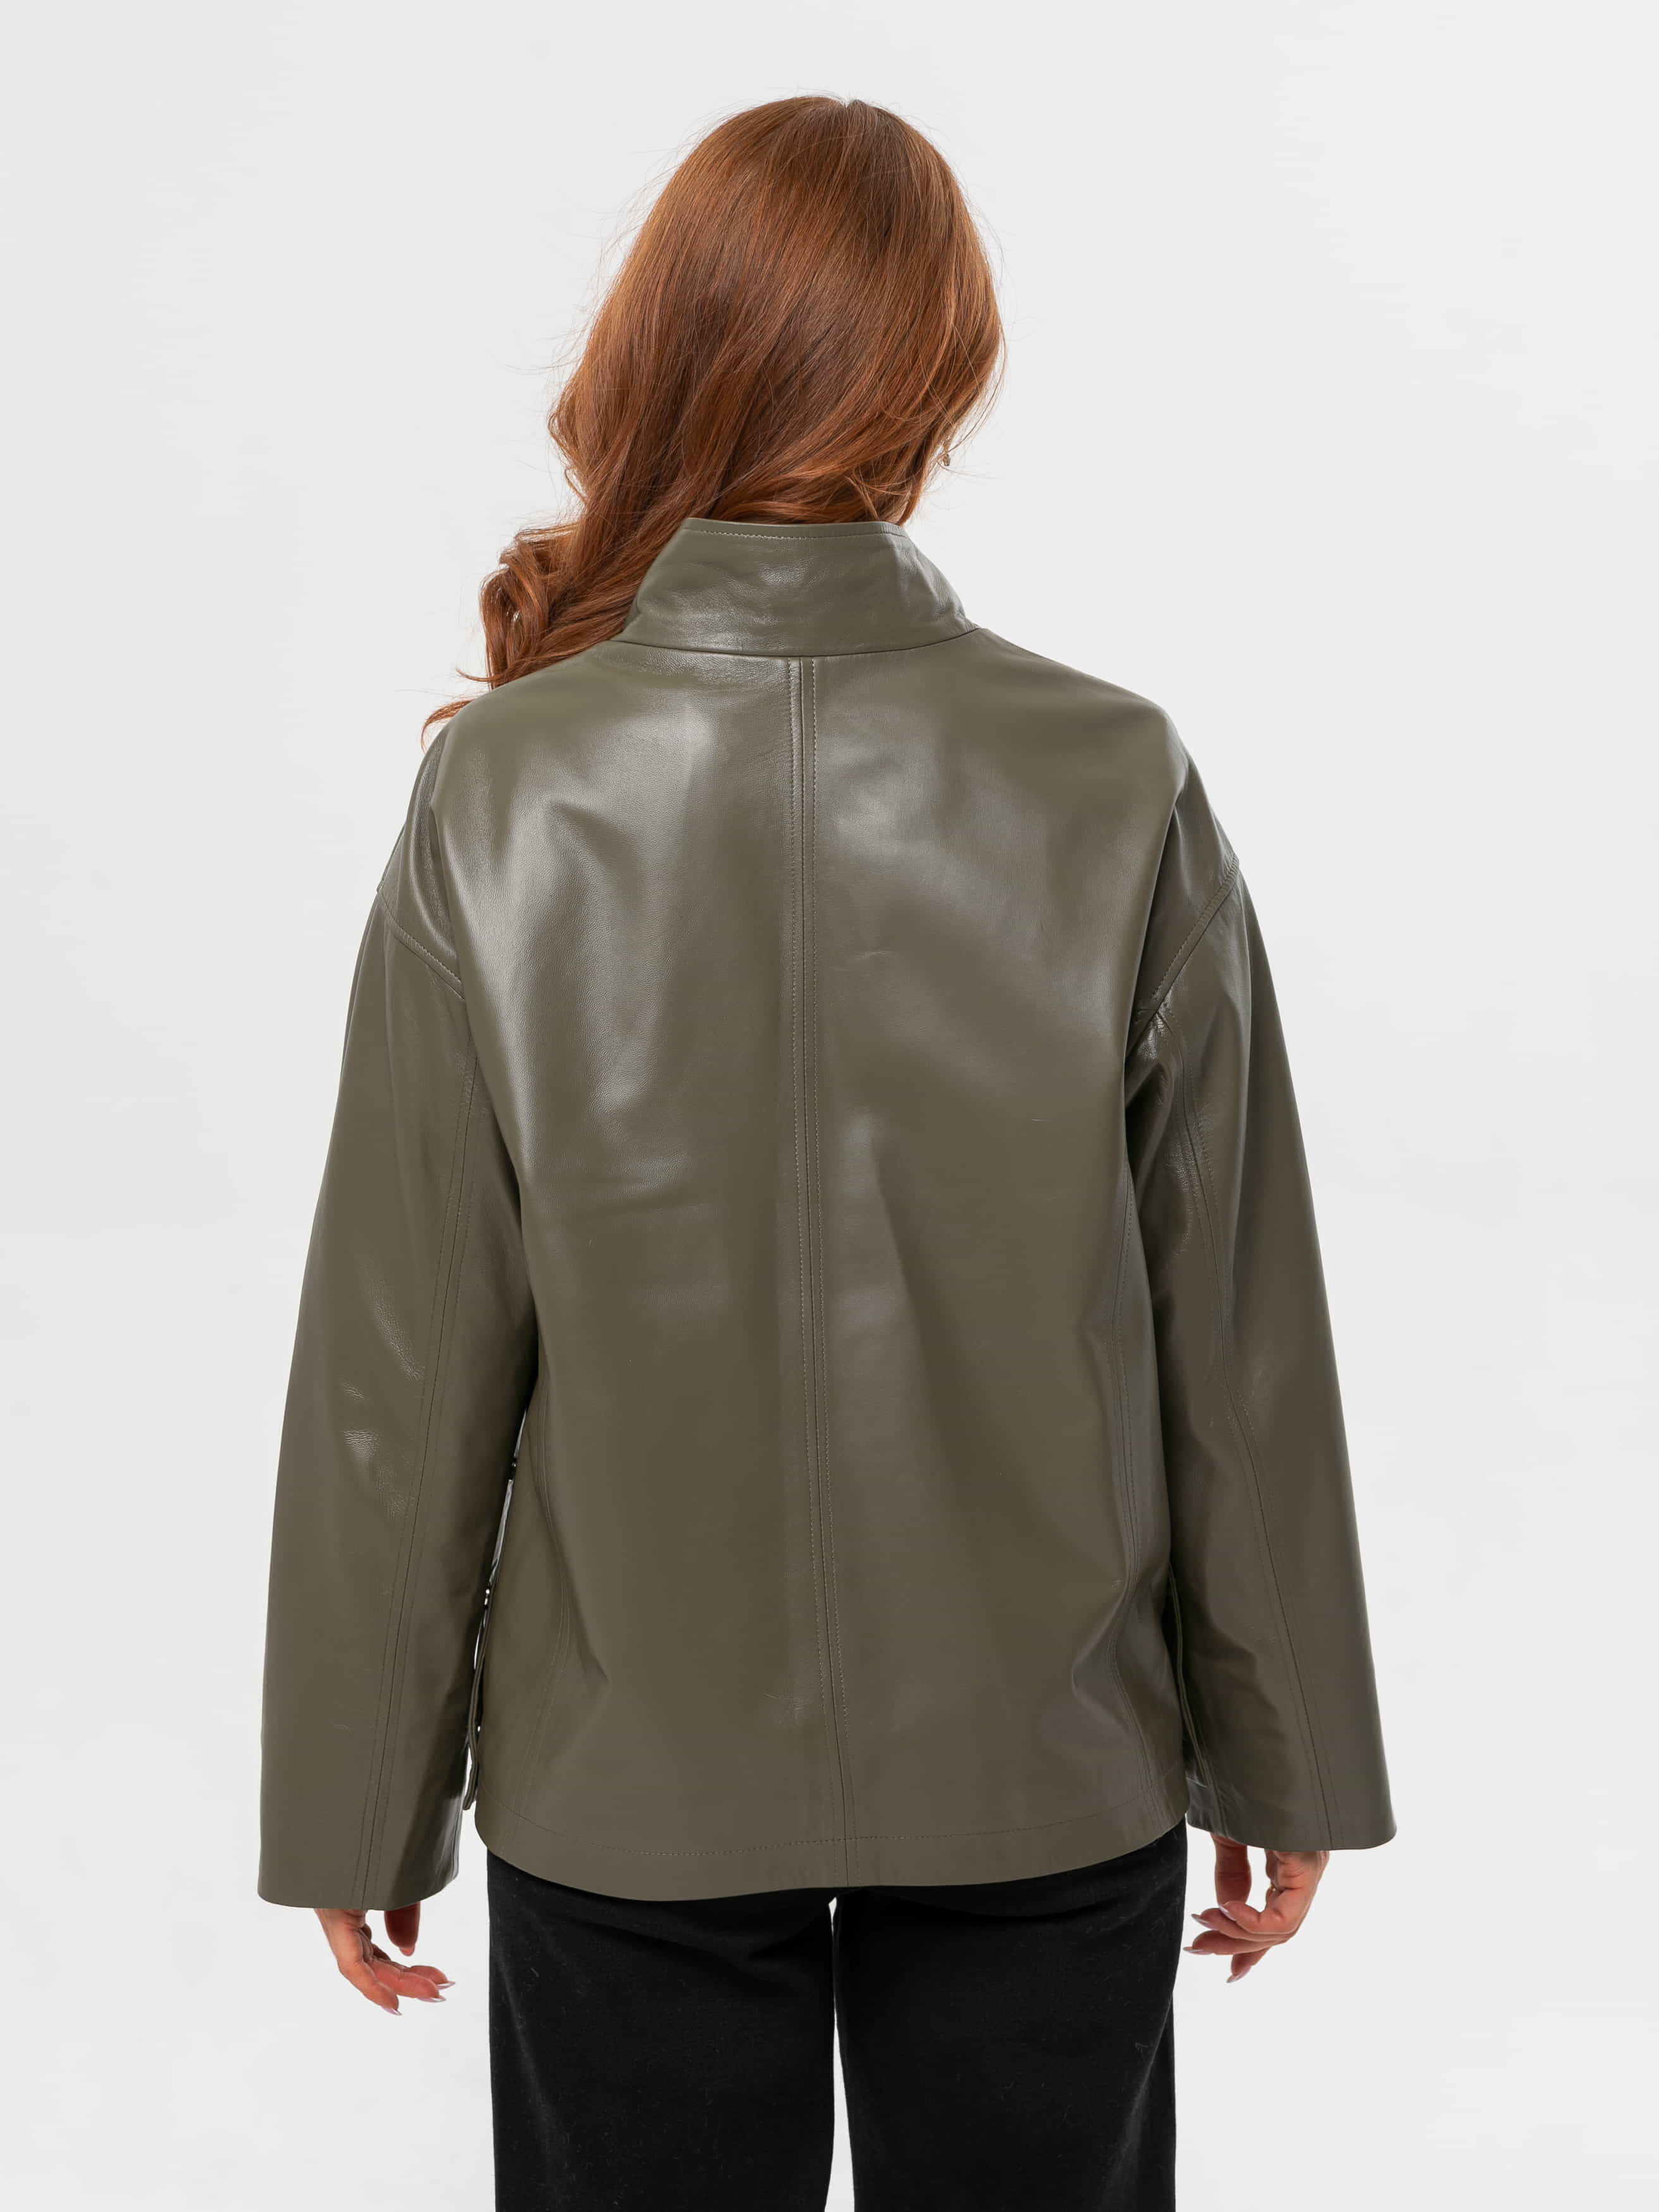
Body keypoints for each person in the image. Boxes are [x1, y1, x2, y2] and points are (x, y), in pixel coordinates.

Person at [260, 94, 1393, 2211]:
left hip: (626, 1779)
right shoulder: (1107, 773)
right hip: (1046, 1760)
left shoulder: (504, 793)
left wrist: (354, 1794)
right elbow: (1229, 1323)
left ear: (659, 352)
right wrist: (1291, 1747)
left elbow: (404, 1366)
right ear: (944, 374)